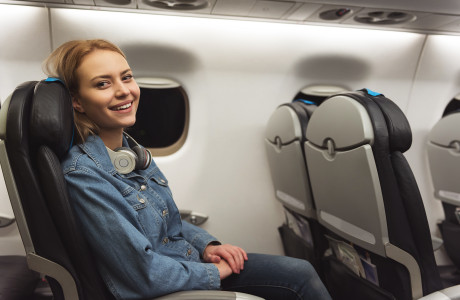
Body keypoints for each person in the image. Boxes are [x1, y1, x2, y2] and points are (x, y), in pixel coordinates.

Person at [44, 39, 332, 300]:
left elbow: (167, 225)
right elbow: (142, 275)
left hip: (184, 262)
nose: (124, 91)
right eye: (102, 84)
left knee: (300, 270)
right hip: (162, 284)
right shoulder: (84, 174)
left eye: (127, 77)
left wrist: (206, 245)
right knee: (299, 279)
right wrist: (214, 273)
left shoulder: (132, 153)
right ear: (77, 101)